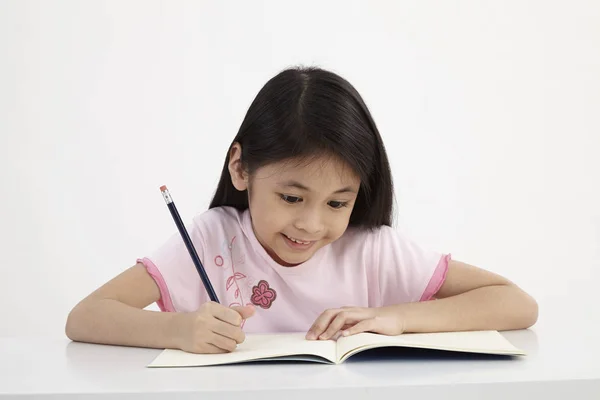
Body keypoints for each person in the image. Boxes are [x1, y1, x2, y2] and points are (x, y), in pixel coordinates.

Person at [65, 66, 538, 354]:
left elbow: (516, 303)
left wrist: (397, 316)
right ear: (241, 168)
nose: (312, 224)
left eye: (338, 203)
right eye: (291, 198)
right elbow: (85, 317)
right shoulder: (211, 240)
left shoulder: (368, 246)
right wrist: (180, 329)